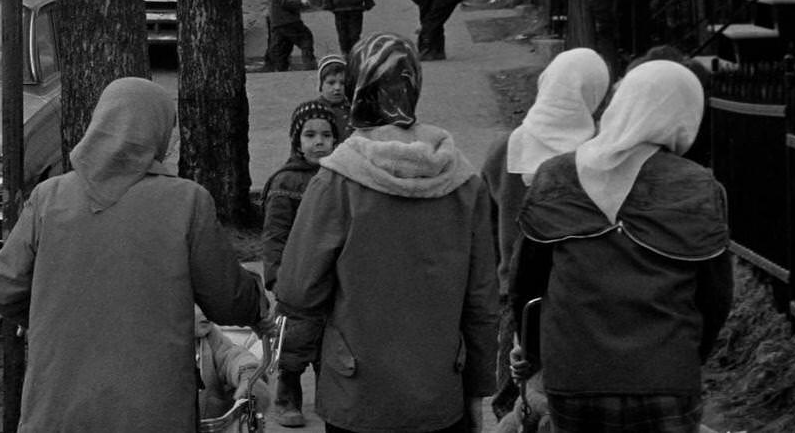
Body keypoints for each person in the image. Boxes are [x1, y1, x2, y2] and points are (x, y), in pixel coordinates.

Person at [0, 77, 267, 432]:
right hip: (152, 413)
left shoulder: (49, 198)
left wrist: (49, 316)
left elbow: (2, 286)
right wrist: (259, 305)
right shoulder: (186, 202)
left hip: (57, 410)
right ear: (158, 132)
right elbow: (228, 300)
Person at [276, 32, 498, 433]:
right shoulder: (465, 183)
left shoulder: (337, 181)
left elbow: (296, 289)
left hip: (356, 390)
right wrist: (478, 387)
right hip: (439, 389)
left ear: (356, 88)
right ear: (414, 85)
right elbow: (483, 301)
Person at [510, 61, 732, 433]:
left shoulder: (555, 176)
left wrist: (532, 355)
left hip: (575, 373)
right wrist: (691, 356)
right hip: (666, 373)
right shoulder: (698, 188)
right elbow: (716, 296)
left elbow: (526, 286)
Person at [480, 48, 610, 423]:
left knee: (514, 404)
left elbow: (485, 227)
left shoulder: (504, 149)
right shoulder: (599, 155)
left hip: (517, 300)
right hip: (580, 299)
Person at [261, 98, 339, 427]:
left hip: (333, 277)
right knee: (294, 343)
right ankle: (286, 395)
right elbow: (274, 234)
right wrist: (276, 276)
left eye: (325, 134)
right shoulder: (286, 182)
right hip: (297, 279)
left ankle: (330, 398)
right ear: (297, 140)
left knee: (331, 343)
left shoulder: (342, 178)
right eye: (309, 135)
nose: (318, 142)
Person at [195, 306, 268, 422]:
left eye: (209, 303)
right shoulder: (159, 346)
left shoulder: (211, 338)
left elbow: (232, 356)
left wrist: (248, 374)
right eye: (199, 305)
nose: (208, 312)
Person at [388, 0, 467, 61]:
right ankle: (438, 52)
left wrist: (422, 24)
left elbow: (424, 5)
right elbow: (426, 5)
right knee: (435, 24)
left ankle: (427, 52)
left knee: (429, 25)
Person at [315, 53, 353, 141]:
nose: (337, 88)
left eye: (342, 83)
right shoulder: (314, 110)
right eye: (331, 83)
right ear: (321, 85)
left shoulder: (354, 108)